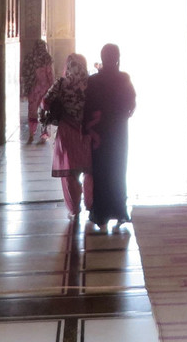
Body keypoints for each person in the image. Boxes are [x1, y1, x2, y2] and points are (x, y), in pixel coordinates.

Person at [83, 43, 136, 232]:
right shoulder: (123, 79)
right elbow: (131, 104)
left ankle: (101, 214)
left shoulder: (93, 81)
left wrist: (88, 129)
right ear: (117, 58)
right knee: (118, 169)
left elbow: (87, 108)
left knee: (101, 171)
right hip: (118, 133)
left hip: (99, 134)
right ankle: (119, 210)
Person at [40, 53, 93, 217]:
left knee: (69, 172)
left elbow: (45, 102)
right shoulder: (90, 83)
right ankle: (91, 203)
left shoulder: (62, 83)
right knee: (90, 170)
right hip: (87, 131)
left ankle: (74, 207)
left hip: (67, 131)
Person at [20, 39, 54, 144]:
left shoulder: (30, 57)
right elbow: (49, 74)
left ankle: (31, 133)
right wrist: (53, 87)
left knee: (32, 110)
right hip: (44, 87)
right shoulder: (46, 58)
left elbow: (24, 71)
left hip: (33, 87)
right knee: (44, 110)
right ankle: (44, 133)